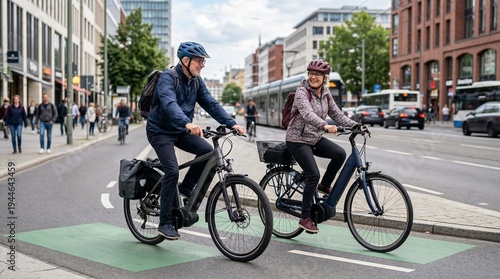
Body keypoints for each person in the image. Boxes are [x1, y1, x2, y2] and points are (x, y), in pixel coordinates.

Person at [146, 42, 245, 240]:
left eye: (203, 61)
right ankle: (165, 223)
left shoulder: (196, 82)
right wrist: (187, 123)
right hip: (160, 131)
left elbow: (211, 103)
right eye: (199, 61)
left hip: (180, 129)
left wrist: (232, 123)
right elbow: (169, 103)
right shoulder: (168, 77)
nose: (202, 65)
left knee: (207, 152)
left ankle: (185, 189)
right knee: (172, 170)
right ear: (185, 60)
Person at [285, 59, 361, 234]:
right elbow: (307, 114)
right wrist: (325, 125)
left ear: (325, 77)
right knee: (313, 174)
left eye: (317, 74)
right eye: (311, 73)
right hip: (297, 140)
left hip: (314, 138)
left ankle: (324, 185)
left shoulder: (325, 93)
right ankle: (305, 218)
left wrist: (354, 125)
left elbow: (336, 113)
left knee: (340, 154)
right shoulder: (302, 92)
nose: (313, 77)